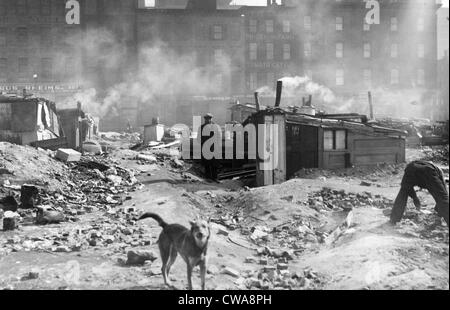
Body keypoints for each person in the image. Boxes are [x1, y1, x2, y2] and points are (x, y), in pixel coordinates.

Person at [390, 160, 449, 227]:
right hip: (427, 171)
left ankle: (393, 219)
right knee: (443, 198)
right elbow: (443, 196)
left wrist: (415, 198)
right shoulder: (438, 172)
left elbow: (407, 187)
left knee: (403, 192)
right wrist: (439, 212)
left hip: (410, 168)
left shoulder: (423, 164)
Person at [198, 113, 218, 180]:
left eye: (209, 119)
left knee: (214, 164)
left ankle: (215, 177)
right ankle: (208, 177)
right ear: (205, 119)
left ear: (211, 119)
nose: (208, 120)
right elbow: (198, 138)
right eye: (207, 119)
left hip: (213, 147)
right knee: (207, 163)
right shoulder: (201, 127)